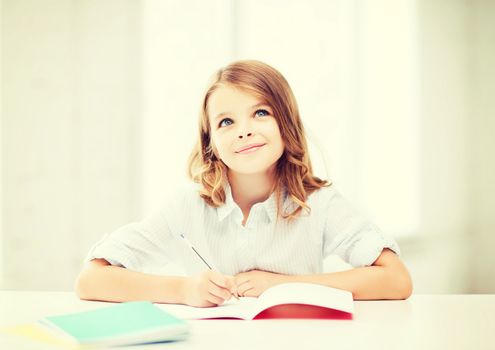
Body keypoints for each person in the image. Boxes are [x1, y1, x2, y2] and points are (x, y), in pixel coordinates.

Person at [75, 60, 413, 307]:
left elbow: (396, 280)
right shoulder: (186, 206)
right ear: (211, 144)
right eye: (226, 121)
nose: (244, 130)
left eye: (261, 113)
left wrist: (283, 287)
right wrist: (184, 290)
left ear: (286, 122)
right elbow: (91, 280)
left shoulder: (319, 202)